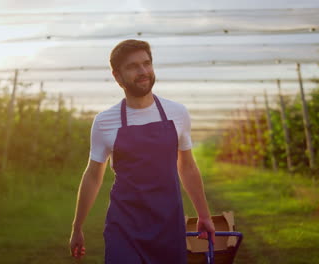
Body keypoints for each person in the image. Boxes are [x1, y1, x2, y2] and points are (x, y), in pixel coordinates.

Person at [69, 39, 215, 263]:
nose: (143, 71)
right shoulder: (104, 121)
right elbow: (92, 175)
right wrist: (77, 227)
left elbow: (187, 166)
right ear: (117, 76)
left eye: (147, 63)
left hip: (169, 226)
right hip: (123, 227)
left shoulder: (177, 113)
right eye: (133, 66)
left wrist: (203, 214)